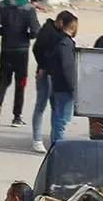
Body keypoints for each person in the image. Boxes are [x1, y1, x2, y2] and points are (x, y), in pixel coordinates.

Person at [0, 0, 39, 127]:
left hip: (6, 48)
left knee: (3, 80)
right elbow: (35, 30)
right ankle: (17, 116)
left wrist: (2, 32)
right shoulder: (27, 7)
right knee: (21, 83)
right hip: (21, 50)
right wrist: (28, 36)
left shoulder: (1, 5)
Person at [29, 10, 79, 153]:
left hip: (54, 75)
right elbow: (37, 49)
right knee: (41, 105)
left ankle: (54, 139)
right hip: (45, 75)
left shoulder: (60, 36)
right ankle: (37, 139)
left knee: (55, 108)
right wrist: (43, 67)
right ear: (61, 22)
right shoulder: (48, 31)